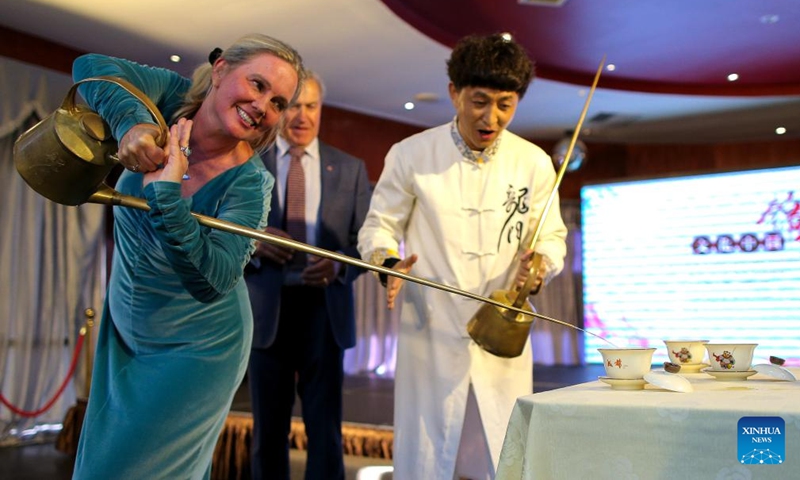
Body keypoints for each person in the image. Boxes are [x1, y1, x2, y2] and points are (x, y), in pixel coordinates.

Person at [70, 34, 304, 479]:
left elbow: (211, 280)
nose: (263, 106)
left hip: (197, 350)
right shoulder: (171, 97)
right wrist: (132, 125)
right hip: (125, 332)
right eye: (256, 84)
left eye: (277, 102)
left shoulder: (250, 185)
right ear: (219, 71)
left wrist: (166, 193)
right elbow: (90, 66)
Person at [357, 33, 567, 480]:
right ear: (454, 93)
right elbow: (379, 227)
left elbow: (551, 235)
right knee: (430, 454)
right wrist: (387, 263)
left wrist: (541, 265)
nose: (491, 118)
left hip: (500, 332)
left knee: (501, 449)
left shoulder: (532, 162)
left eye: (505, 104)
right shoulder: (412, 154)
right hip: (430, 328)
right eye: (479, 101)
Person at [244, 71, 371, 480]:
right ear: (278, 110)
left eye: (311, 106)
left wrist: (338, 264)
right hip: (267, 309)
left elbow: (367, 243)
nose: (302, 116)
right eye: (292, 105)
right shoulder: (247, 164)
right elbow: (218, 230)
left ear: (321, 110)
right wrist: (253, 242)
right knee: (268, 430)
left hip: (325, 308)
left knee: (326, 431)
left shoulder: (350, 169)